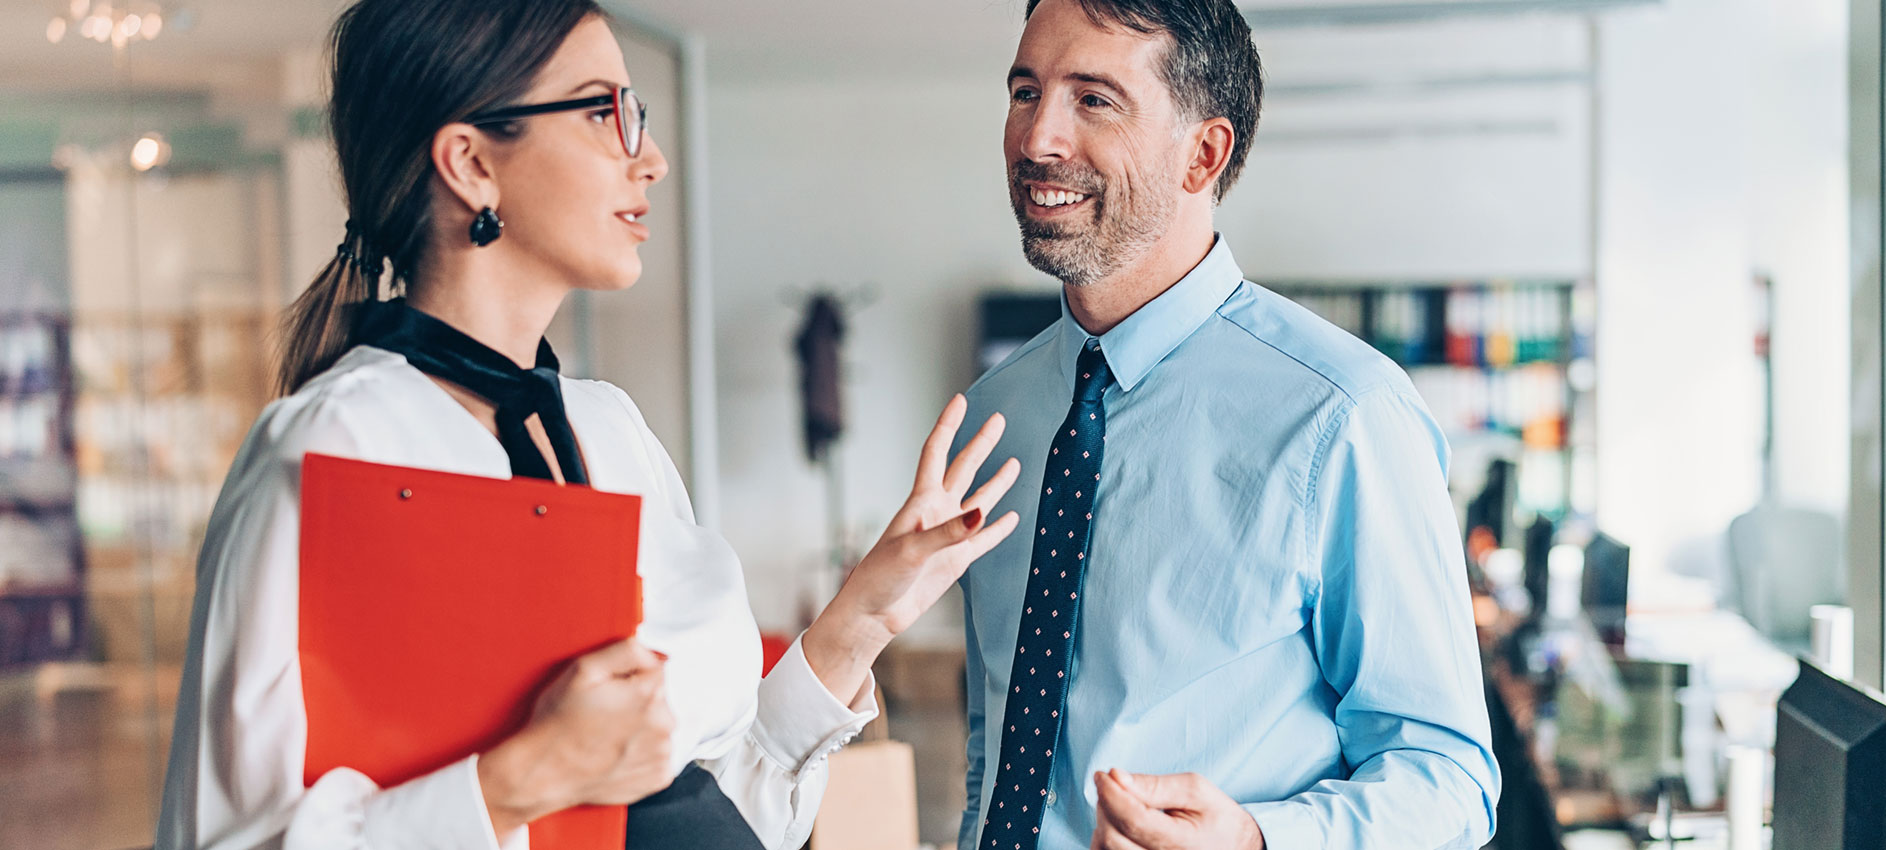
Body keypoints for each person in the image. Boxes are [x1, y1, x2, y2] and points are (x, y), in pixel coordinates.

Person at [154, 2, 1023, 848]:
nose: (650, 160)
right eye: (606, 112)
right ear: (471, 162)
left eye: (636, 114)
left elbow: (704, 812)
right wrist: (520, 779)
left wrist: (858, 623)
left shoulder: (611, 431)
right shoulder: (330, 450)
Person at [953, 0, 1502, 848]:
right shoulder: (992, 417)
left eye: (1092, 99)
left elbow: (1448, 780)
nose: (1037, 139)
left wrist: (1254, 840)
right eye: (1026, 91)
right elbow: (1000, 736)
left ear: (1202, 154)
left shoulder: (1344, 416)